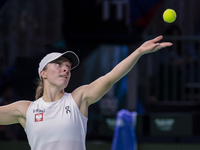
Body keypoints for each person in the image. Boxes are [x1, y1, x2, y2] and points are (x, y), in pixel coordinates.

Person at [0, 36, 172, 150]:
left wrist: (139, 51)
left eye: (68, 66)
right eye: (59, 64)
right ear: (43, 73)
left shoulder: (78, 99)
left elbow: (110, 78)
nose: (66, 69)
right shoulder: (25, 110)